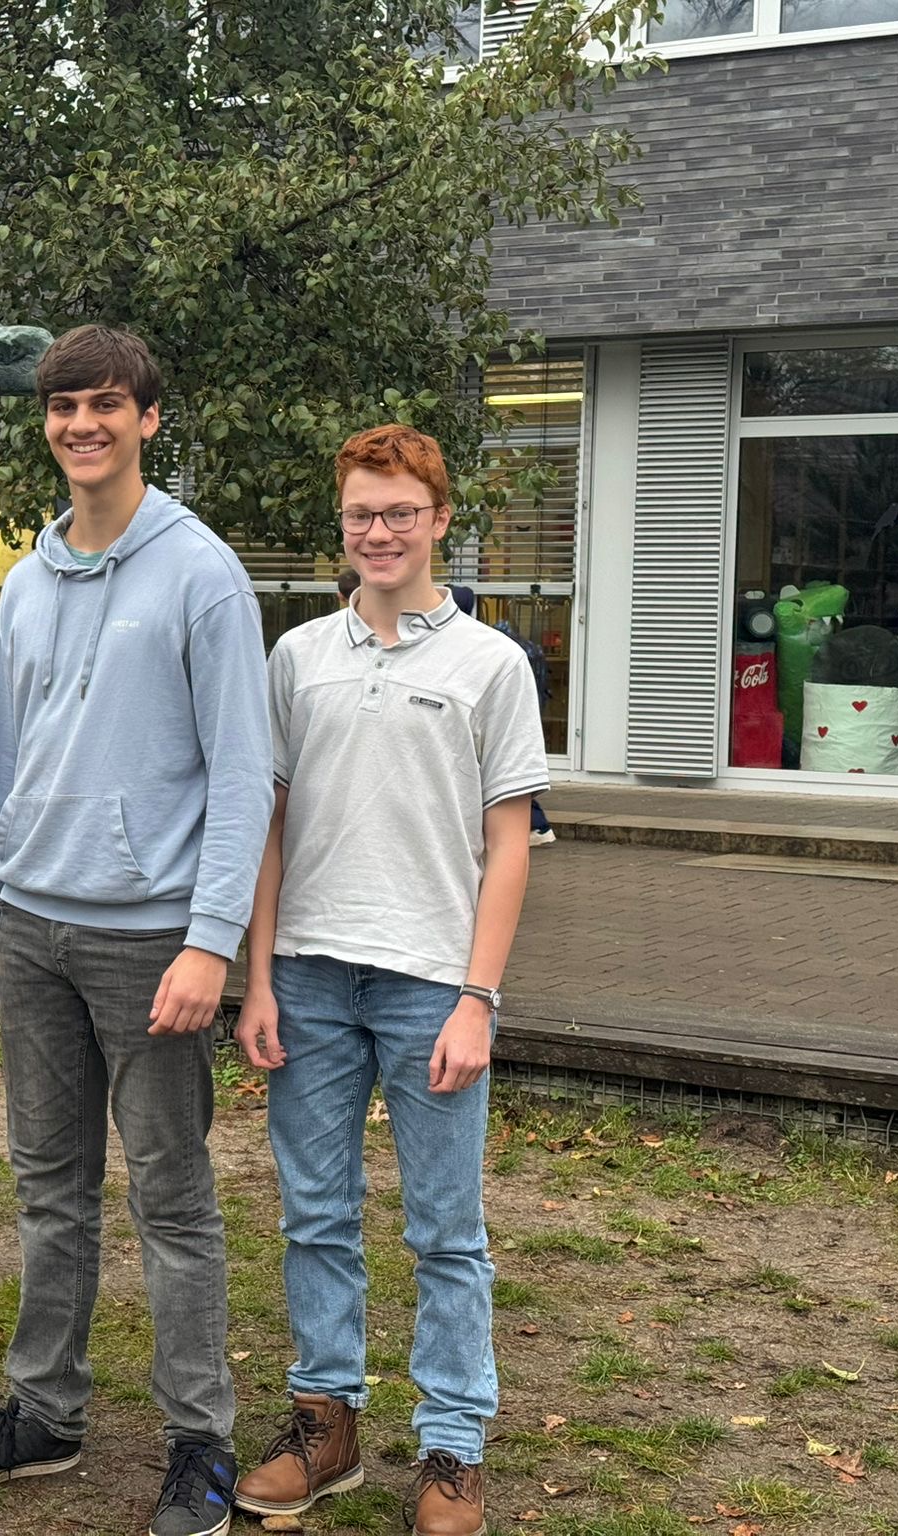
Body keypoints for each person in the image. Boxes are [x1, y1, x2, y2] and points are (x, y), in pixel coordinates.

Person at [0, 325, 272, 1536]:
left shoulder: (201, 576)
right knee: (48, 1191)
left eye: (105, 404)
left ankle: (199, 1442)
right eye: (63, 406)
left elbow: (242, 775)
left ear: (146, 420)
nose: (82, 424)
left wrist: (208, 942)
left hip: (149, 946)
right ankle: (44, 1414)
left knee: (170, 1198)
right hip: (32, 930)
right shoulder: (24, 583)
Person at [233, 426, 548, 1536]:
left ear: (440, 520)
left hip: (431, 985)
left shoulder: (491, 665)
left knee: (445, 1230)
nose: (379, 532)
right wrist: (257, 978)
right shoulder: (296, 656)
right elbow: (267, 825)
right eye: (361, 513)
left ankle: (453, 1449)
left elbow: (508, 843)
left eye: (399, 512)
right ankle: (325, 1425)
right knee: (313, 1215)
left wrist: (477, 999)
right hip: (308, 978)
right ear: (343, 522)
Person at [450, 585, 555, 847]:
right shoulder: (515, 645)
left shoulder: (489, 648)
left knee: (506, 775)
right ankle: (538, 825)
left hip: (506, 709)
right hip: (527, 705)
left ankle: (538, 825)